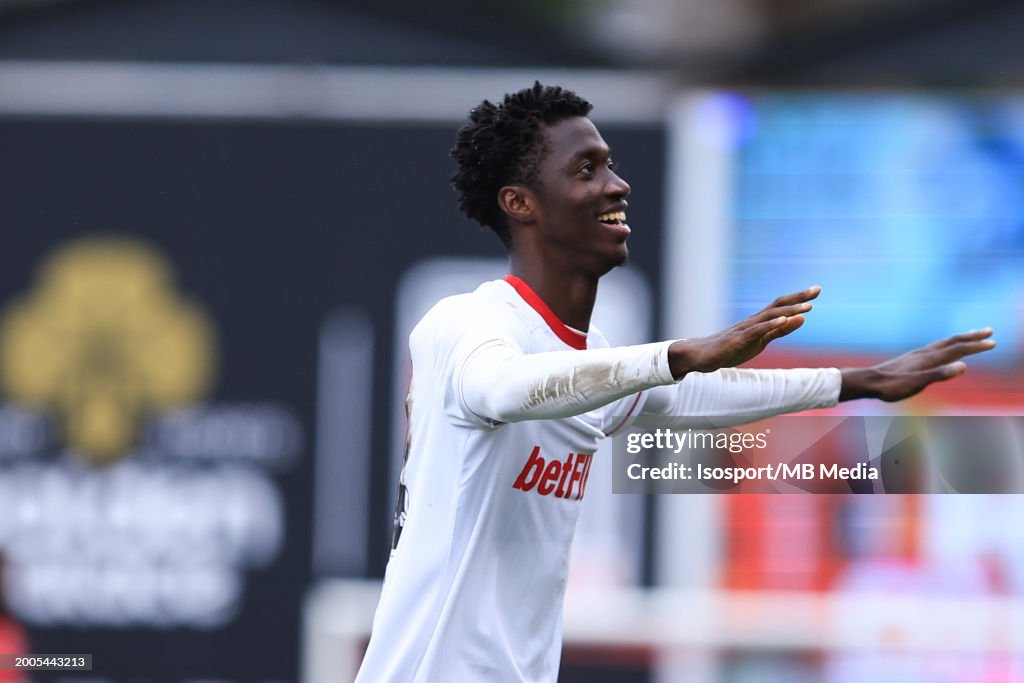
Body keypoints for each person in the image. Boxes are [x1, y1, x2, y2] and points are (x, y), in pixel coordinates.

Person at [354, 82, 995, 683]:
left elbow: (701, 396)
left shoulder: (587, 359)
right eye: (587, 171)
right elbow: (504, 389)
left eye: (609, 165)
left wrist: (860, 380)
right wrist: (681, 354)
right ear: (520, 202)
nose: (617, 185)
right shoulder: (466, 323)